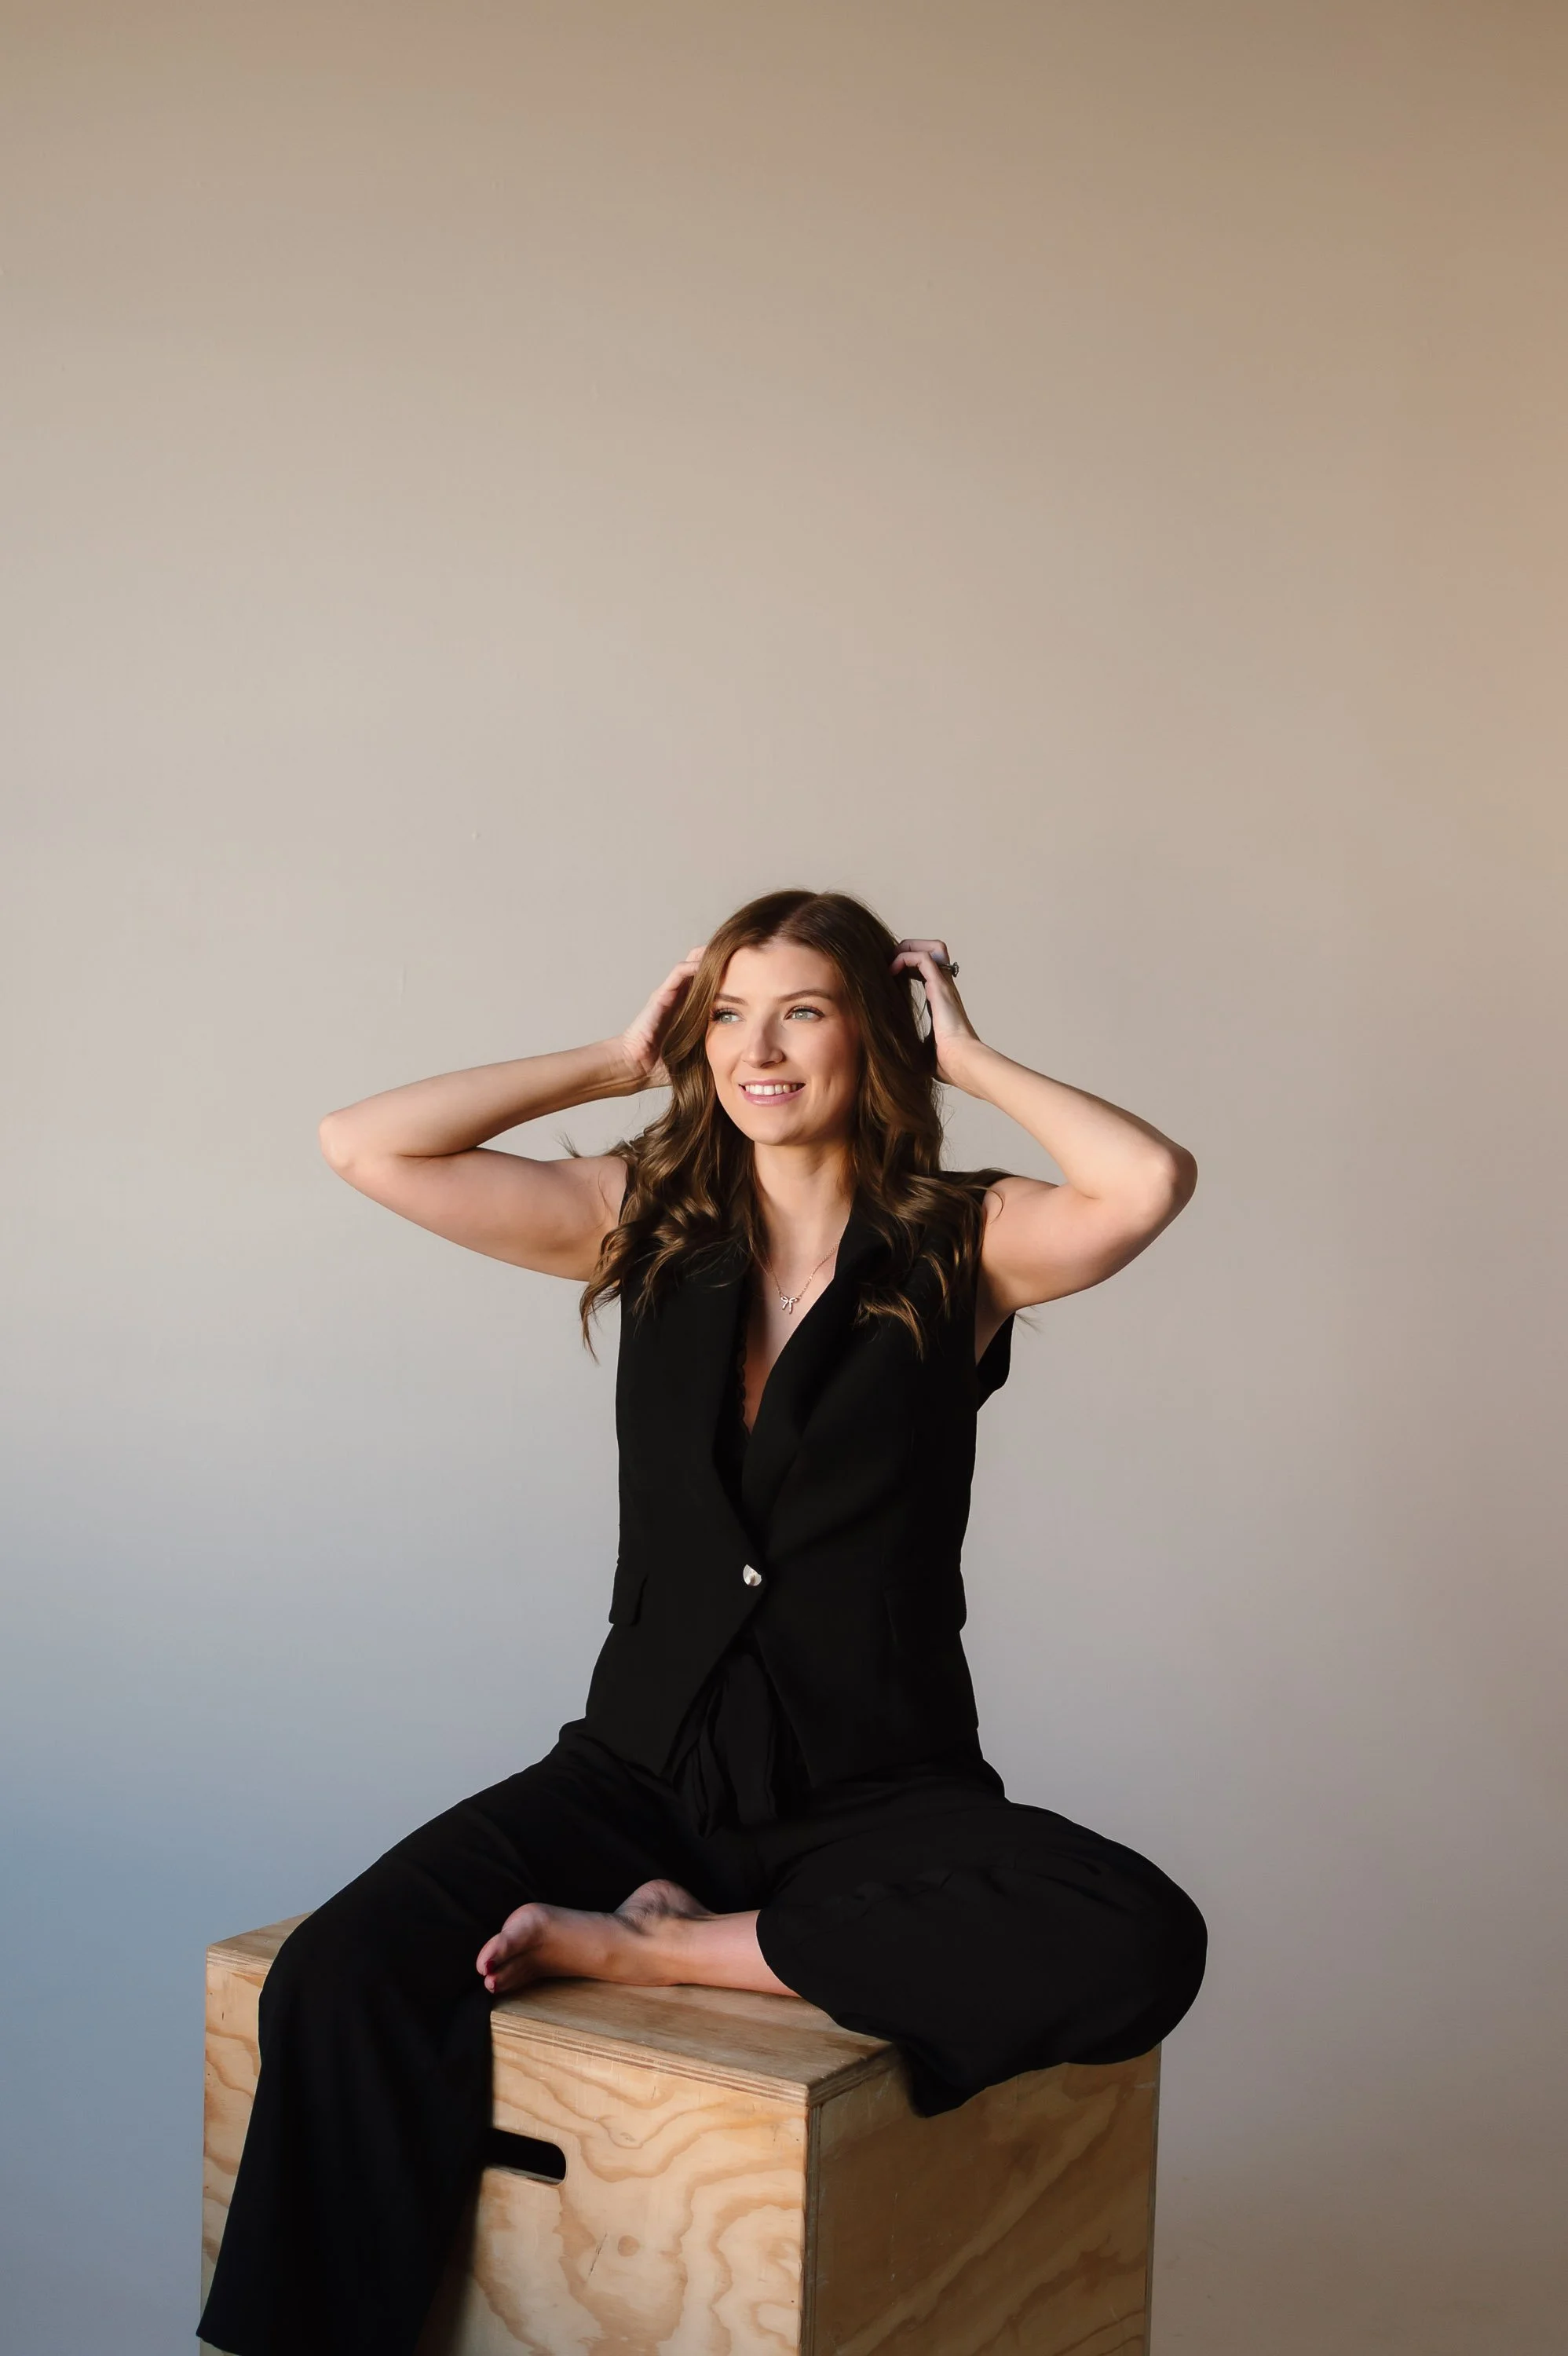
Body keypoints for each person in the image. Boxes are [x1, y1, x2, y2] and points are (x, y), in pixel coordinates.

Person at [197, 886, 1207, 2356]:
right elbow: (369, 1143)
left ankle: (669, 1949)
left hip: (874, 1794)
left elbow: (1146, 1181)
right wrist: (616, 1061)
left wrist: (972, 1060)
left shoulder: (964, 1246)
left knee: (1136, 1937)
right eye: (731, 1012)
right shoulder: (646, 1222)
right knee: (336, 1978)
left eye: (803, 1008)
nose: (759, 1047)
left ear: (875, 1032)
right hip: (634, 1773)